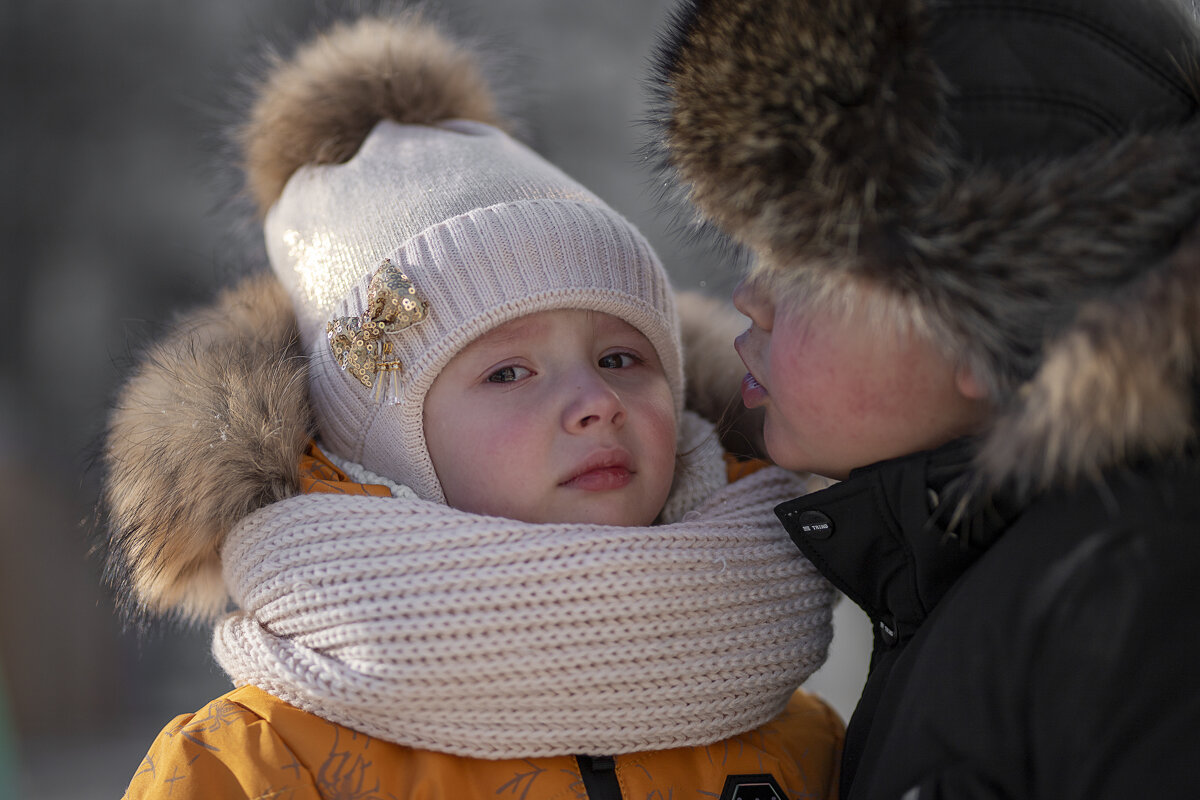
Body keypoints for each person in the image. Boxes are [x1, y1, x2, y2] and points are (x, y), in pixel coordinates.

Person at [102, 14, 843, 800]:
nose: (596, 402)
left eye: (622, 358)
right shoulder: (249, 768)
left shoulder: (801, 741)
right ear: (383, 447)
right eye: (509, 373)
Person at [648, 0, 1200, 797]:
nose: (750, 299)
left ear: (992, 322)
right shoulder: (982, 576)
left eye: (802, 267)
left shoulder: (1129, 601)